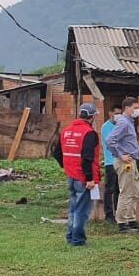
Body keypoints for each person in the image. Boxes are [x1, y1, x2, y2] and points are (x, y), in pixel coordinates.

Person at [52, 102, 101, 246]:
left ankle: (70, 236)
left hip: (71, 176)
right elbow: (87, 158)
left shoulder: (66, 131)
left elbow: (56, 153)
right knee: (82, 210)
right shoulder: (89, 133)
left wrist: (64, 166)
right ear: (91, 117)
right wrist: (90, 179)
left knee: (73, 208)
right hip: (83, 178)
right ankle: (78, 239)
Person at [107, 97, 139, 233]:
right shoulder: (123, 122)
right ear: (127, 108)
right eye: (135, 108)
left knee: (134, 191)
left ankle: (131, 219)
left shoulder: (129, 122)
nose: (137, 110)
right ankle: (122, 222)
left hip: (131, 161)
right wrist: (121, 155)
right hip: (125, 162)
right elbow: (110, 140)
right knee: (126, 191)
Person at [100, 104, 124, 225]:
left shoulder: (121, 125)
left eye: (120, 113)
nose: (118, 116)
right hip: (110, 162)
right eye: (116, 113)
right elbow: (111, 143)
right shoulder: (106, 127)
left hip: (121, 161)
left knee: (119, 189)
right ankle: (108, 214)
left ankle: (118, 212)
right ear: (110, 113)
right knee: (109, 189)